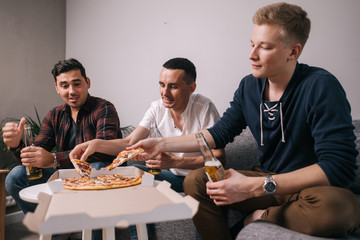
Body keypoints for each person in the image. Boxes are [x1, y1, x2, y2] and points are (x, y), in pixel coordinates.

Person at [129, 3, 360, 239]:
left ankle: (259, 218)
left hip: (309, 189)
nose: (252, 55)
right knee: (196, 180)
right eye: (252, 45)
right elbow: (217, 134)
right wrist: (161, 144)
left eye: (265, 47)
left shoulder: (321, 86)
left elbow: (339, 167)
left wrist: (254, 187)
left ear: (293, 52)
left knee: (340, 208)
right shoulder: (249, 86)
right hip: (267, 181)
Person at [70, 57, 224, 240]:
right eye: (161, 85)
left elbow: (219, 158)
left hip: (199, 177)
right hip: (170, 176)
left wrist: (175, 161)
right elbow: (129, 143)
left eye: (173, 86)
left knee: (199, 185)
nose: (164, 92)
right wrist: (95, 144)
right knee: (127, 174)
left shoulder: (204, 108)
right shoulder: (156, 108)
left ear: (191, 88)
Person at [3, 58, 122, 215]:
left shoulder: (103, 108)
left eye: (77, 84)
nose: (71, 91)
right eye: (64, 86)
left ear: (87, 82)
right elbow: (36, 157)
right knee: (15, 176)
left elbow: (105, 149)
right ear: (57, 88)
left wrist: (53, 160)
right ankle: (54, 228)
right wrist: (17, 145)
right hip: (64, 176)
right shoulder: (55, 115)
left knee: (98, 167)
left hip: (98, 176)